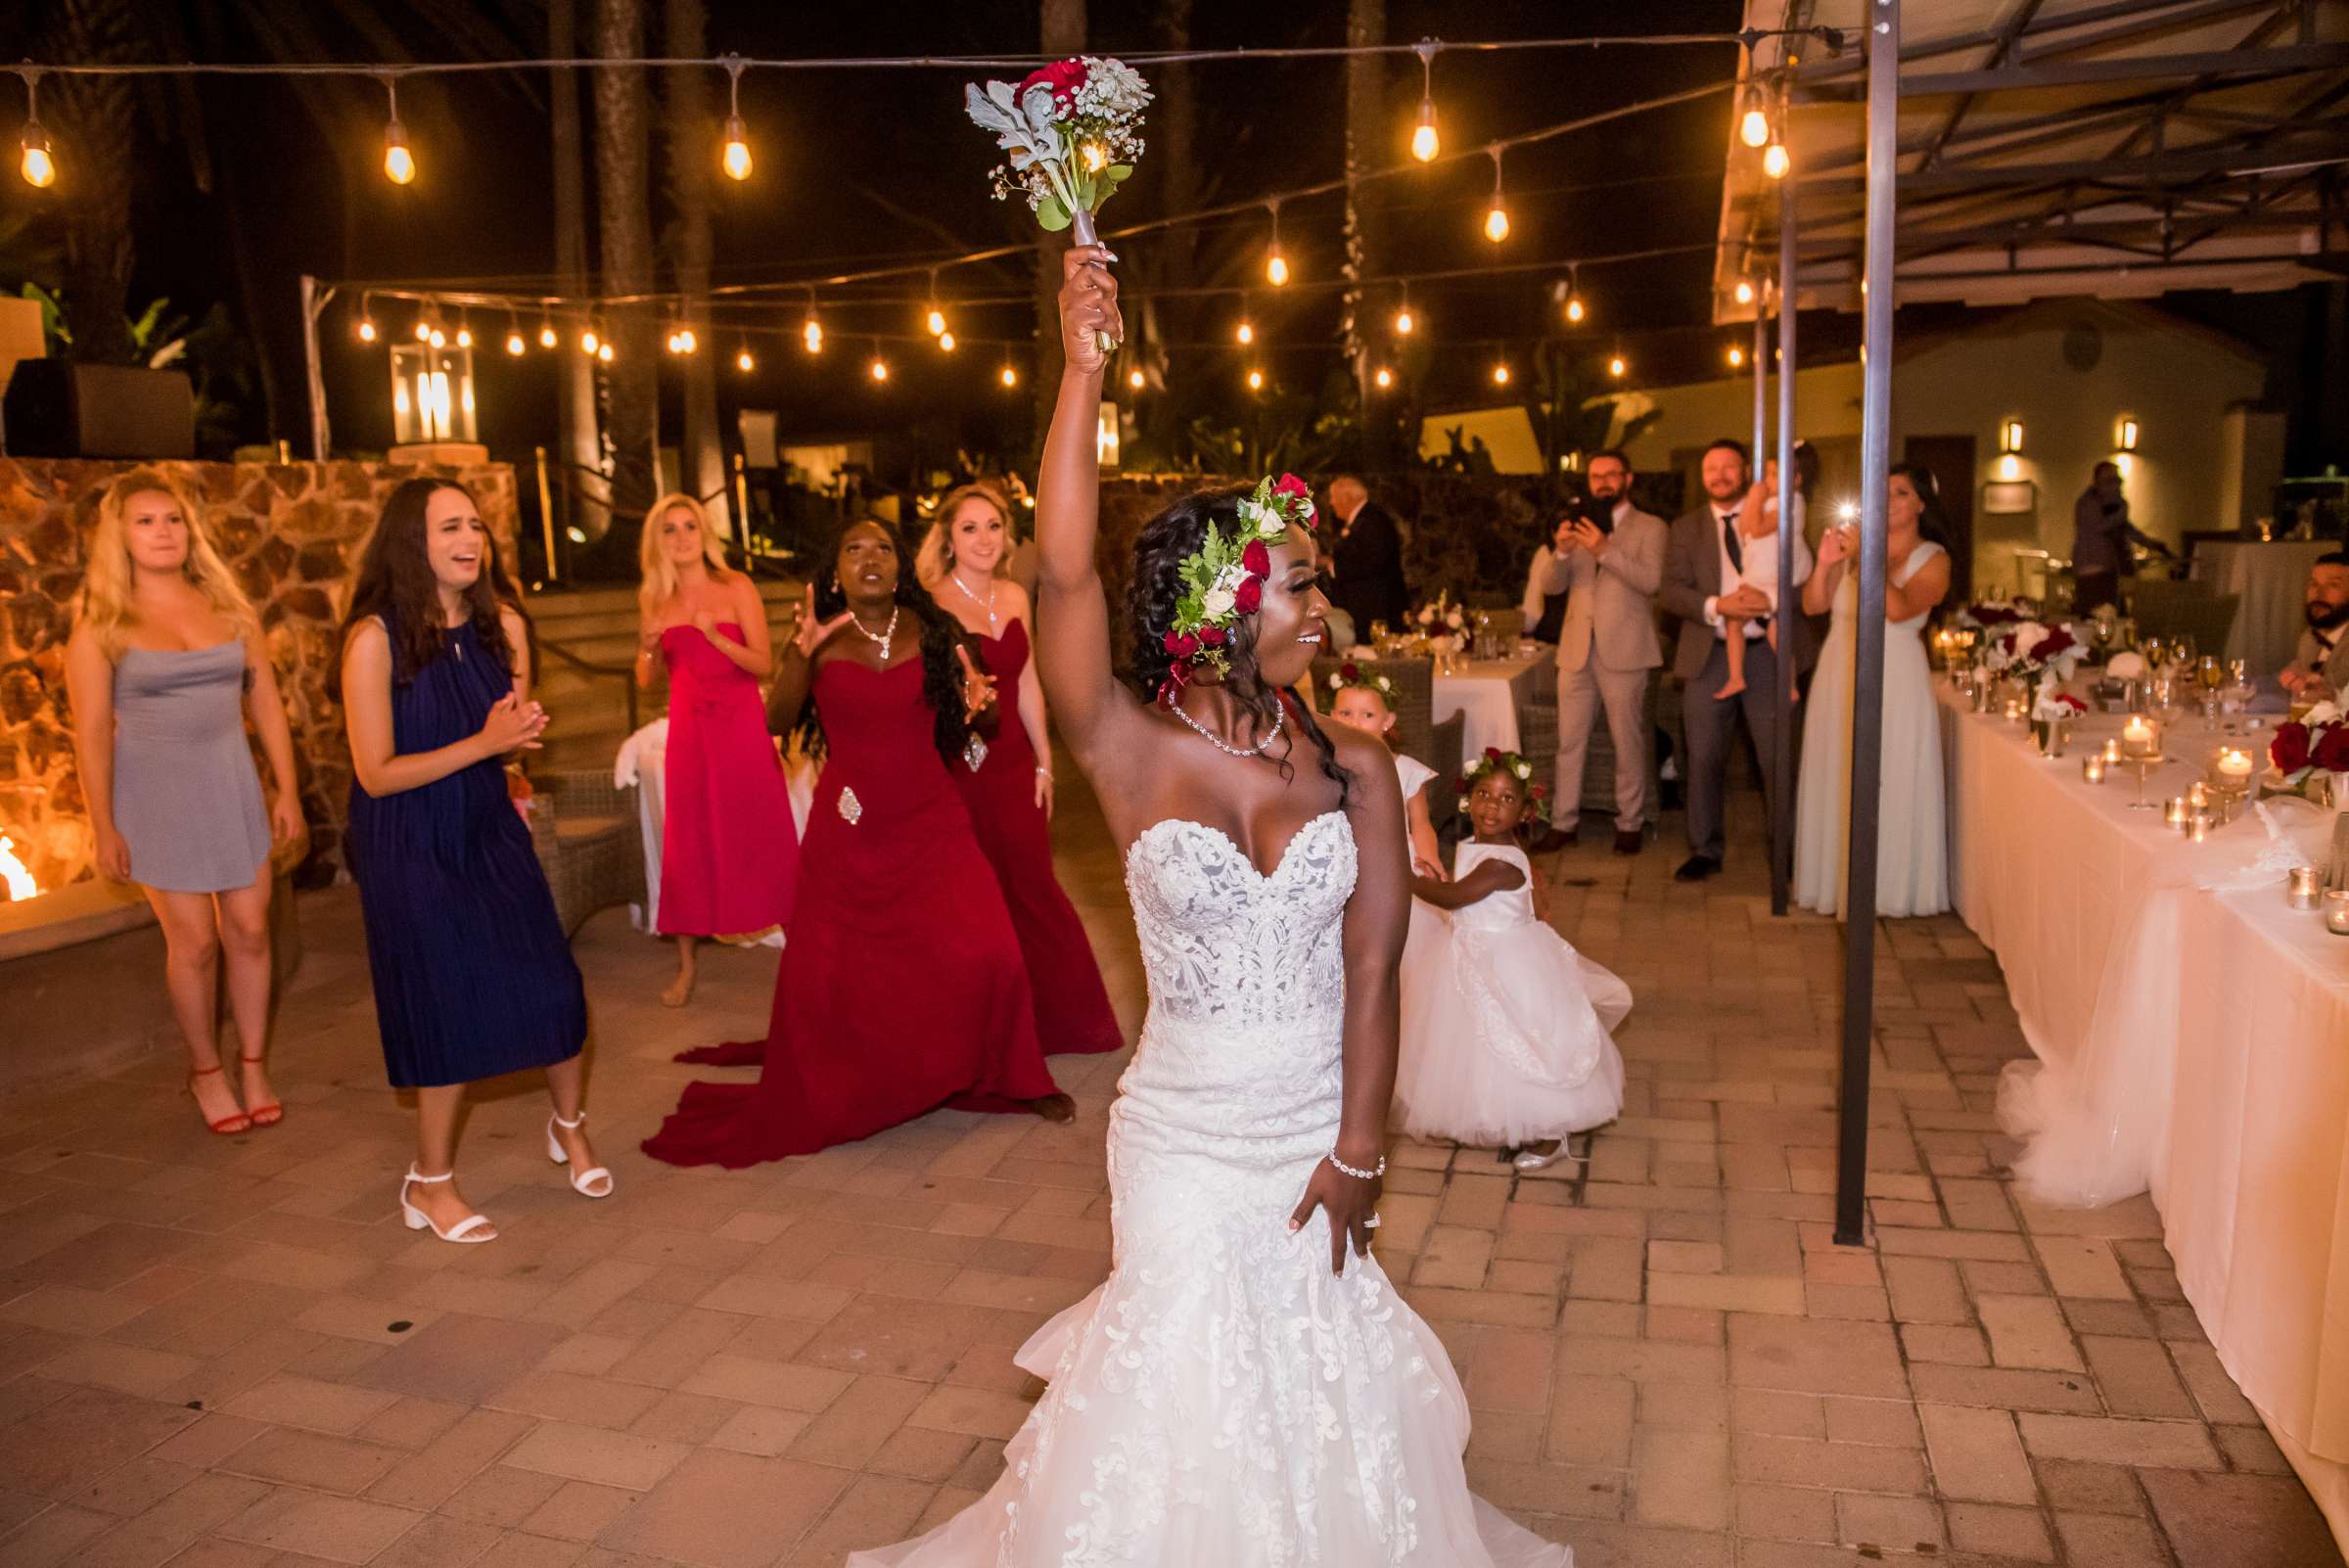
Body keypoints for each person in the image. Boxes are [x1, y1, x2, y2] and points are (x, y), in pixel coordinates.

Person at [845, 245, 1570, 1568]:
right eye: (1298, 580)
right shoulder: (1130, 751)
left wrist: (1360, 1150)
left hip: (1314, 1122)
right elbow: (1063, 576)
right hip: (1181, 1131)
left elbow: (1373, 969)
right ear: (1220, 605)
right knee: (1179, 1387)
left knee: (1314, 1381)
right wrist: (1081, 364)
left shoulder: (1352, 763)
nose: (1324, 601)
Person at [641, 518, 1073, 1171]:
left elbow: (980, 712)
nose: (870, 559)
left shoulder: (933, 632)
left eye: (882, 549)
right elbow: (776, 719)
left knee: (991, 949)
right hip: (847, 825)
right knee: (832, 970)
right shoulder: (820, 637)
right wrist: (799, 649)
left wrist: (981, 701)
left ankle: (1015, 1074)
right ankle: (862, 1074)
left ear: (901, 565)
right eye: (853, 549)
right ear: (834, 570)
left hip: (930, 817)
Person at [334, 478, 604, 1245]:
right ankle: (429, 1183)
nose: (470, 539)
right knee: (445, 1006)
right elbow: (376, 772)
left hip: (488, 827)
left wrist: (516, 740)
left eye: (477, 526)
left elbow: (508, 729)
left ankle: (569, 1126)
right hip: (408, 839)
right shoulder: (374, 639)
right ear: (409, 542)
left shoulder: (501, 627)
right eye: (450, 526)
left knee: (554, 984)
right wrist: (486, 745)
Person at [64, 469, 304, 1136]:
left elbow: (266, 706)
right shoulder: (100, 628)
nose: (163, 532)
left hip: (231, 783)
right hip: (156, 797)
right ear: (120, 536)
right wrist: (103, 825)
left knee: (252, 929)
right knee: (195, 943)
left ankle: (253, 1063)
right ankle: (205, 1069)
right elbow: (89, 738)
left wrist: (286, 787)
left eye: (172, 519)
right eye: (145, 521)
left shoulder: (229, 607)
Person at [921, 482, 1123, 1059]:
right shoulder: (931, 604)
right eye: (969, 528)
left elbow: (1028, 680)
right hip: (960, 765)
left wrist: (1044, 760)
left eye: (993, 526)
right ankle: (981, 1026)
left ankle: (1061, 1021)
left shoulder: (1013, 595)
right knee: (973, 896)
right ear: (948, 540)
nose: (984, 538)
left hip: (1014, 764)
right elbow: (924, 696)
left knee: (1034, 888)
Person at [1394, 751, 1630, 1173]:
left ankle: (1548, 1128)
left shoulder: (1500, 862)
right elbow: (1463, 895)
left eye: (1506, 799)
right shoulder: (1478, 847)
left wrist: (1404, 876)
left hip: (1506, 958)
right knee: (1475, 1041)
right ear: (1468, 800)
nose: (1491, 806)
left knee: (1519, 1038)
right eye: (1484, 794)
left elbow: (1454, 897)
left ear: (1525, 811)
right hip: (1473, 950)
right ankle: (1476, 1110)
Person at [633, 492, 797, 1008]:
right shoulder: (654, 600)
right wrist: (646, 645)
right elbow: (644, 680)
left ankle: (805, 951)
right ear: (658, 542)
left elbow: (764, 663)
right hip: (690, 735)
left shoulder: (735, 586)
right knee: (689, 843)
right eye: (670, 530)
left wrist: (714, 637)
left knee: (764, 830)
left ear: (704, 534)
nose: (682, 538)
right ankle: (686, 967)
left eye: (689, 527)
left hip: (740, 727)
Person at [1792, 464, 1954, 918]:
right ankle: (1834, 882)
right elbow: (1813, 605)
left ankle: (1891, 889)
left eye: (1901, 492)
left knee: (1889, 774)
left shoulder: (1933, 558)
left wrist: (1865, 559)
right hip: (1838, 667)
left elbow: (1899, 610)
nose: (1889, 499)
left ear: (1921, 503)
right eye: (1881, 492)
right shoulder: (1856, 548)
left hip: (1895, 676)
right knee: (1838, 772)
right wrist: (1826, 562)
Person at [1660, 438, 1816, 883]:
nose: (1720, 475)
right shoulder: (1685, 529)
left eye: (1729, 467)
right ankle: (1705, 848)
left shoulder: (1780, 510)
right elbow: (1670, 591)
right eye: (1712, 468)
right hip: (1709, 653)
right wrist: (1716, 605)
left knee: (1778, 756)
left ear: (1745, 470)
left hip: (1769, 653)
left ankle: (1786, 852)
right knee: (1702, 757)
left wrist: (1772, 600)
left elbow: (1806, 578)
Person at [1537, 449, 1666, 854]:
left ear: (1628, 479)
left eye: (1612, 474)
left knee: (1628, 742)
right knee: (1568, 742)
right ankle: (1563, 822)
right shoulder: (1576, 525)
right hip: (1576, 650)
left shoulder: (1652, 526)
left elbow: (1651, 581)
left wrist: (1605, 550)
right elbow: (1551, 587)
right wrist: (1560, 551)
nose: (1604, 482)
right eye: (1596, 476)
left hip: (1625, 650)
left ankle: (1630, 822)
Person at [2071, 461, 2172, 615]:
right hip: (2092, 569)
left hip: (2110, 569)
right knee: (2095, 614)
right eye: (2111, 480)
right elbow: (2100, 527)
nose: (2116, 485)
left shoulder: (2112, 506)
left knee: (2113, 613)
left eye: (2117, 480)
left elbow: (2126, 529)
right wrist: (2122, 509)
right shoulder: (2088, 503)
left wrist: (2150, 543)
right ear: (2098, 481)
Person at [1325, 473, 1409, 637]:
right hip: (1367, 607)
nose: (1331, 503)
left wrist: (1332, 565)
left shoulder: (1373, 521)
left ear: (1347, 497)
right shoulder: (1364, 519)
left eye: (1333, 497)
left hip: (1376, 609)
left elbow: (1372, 562)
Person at [2280, 551, 2349, 700]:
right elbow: (2296, 668)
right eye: (2314, 584)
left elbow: (2340, 687)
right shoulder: (2310, 636)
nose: (2319, 594)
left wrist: (2308, 683)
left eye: (2333, 585)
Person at [1518, 515, 1575, 646]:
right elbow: (1535, 592)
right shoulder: (1545, 554)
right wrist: (1528, 628)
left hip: (1573, 629)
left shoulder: (1584, 552)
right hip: (1551, 630)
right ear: (1553, 533)